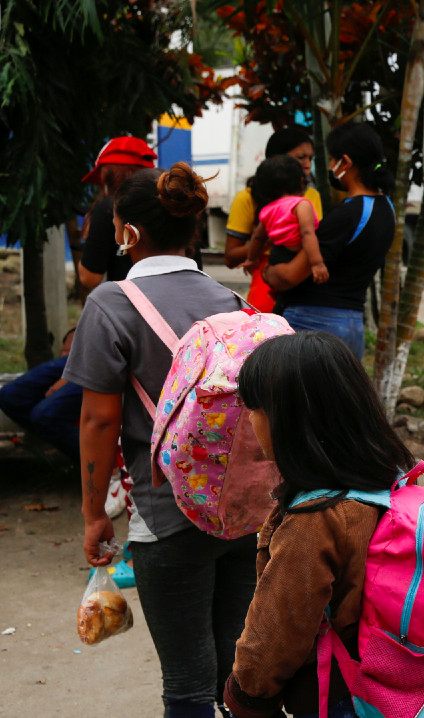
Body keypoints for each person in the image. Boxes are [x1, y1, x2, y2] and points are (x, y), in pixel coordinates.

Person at [65, 163, 256, 718]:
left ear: (127, 233)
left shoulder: (110, 305)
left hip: (167, 515)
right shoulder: (231, 300)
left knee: (189, 682)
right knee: (237, 673)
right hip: (243, 512)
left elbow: (98, 423)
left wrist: (94, 514)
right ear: (193, 227)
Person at [222, 331, 418, 718]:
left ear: (289, 421)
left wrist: (245, 697)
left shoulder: (314, 519)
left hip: (341, 697)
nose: (250, 420)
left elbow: (278, 633)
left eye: (255, 409)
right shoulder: (396, 478)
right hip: (400, 684)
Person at [262, 123, 394, 358]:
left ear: (346, 162)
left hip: (313, 325)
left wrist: (266, 272)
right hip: (352, 326)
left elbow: (289, 276)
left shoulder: (347, 215)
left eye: (333, 160)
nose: (331, 167)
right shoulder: (388, 209)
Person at [224, 128, 323, 312]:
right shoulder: (246, 198)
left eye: (311, 158)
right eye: (301, 158)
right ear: (276, 160)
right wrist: (266, 245)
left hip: (302, 275)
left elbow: (312, 239)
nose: (308, 165)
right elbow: (230, 257)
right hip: (267, 279)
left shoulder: (311, 195)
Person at [78, 136, 158, 290]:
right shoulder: (175, 202)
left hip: (134, 308)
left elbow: (88, 278)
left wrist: (91, 240)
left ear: (113, 173)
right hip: (182, 308)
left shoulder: (110, 207)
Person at [0, 328, 82, 464]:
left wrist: (65, 379)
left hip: (107, 356)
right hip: (87, 350)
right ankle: (56, 443)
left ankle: (102, 466)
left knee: (45, 414)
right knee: (10, 396)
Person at [241, 155, 327, 284]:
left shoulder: (268, 210)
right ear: (301, 181)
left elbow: (258, 238)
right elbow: (307, 233)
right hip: (297, 255)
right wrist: (317, 263)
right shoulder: (301, 205)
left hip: (277, 255)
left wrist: (251, 259)